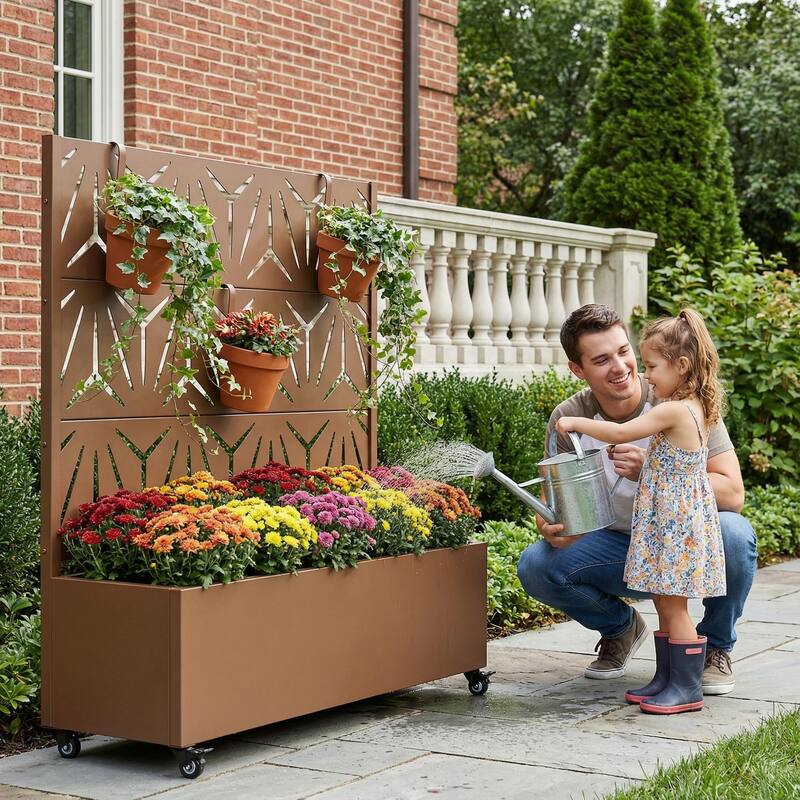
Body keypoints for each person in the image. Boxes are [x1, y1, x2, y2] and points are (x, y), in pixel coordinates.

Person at [517, 304, 756, 699]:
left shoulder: (676, 400)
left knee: (734, 534)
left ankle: (713, 648)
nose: (622, 367)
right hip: (618, 548)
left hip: (680, 542)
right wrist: (553, 526)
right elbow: (553, 503)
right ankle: (621, 629)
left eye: (624, 351)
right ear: (578, 369)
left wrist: (651, 471)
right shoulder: (570, 414)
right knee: (537, 564)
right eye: (601, 360)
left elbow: (733, 493)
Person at [555, 308, 725, 714]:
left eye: (652, 366)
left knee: (675, 606)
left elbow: (618, 432)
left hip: (674, 529)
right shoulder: (685, 404)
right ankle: (667, 679)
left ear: (681, 366)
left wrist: (577, 423)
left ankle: (686, 688)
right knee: (665, 602)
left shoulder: (674, 409)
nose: (646, 376)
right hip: (667, 526)